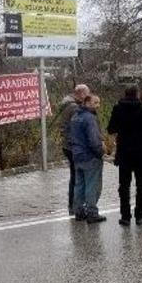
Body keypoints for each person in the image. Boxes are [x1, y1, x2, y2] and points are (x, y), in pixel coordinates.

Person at [107, 86, 142, 227]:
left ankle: (125, 216)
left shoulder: (118, 108)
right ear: (137, 94)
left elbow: (111, 128)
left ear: (125, 94)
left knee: (124, 186)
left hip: (124, 153)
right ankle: (139, 215)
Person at [70, 95, 106, 224]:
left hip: (77, 155)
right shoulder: (90, 118)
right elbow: (94, 140)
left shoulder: (75, 116)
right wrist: (101, 153)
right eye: (95, 103)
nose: (98, 105)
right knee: (92, 186)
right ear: (87, 103)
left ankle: (79, 212)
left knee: (79, 185)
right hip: (90, 156)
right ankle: (92, 213)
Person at [56, 84, 89, 215]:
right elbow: (78, 127)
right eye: (87, 93)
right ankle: (75, 205)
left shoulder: (67, 103)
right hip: (73, 146)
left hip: (67, 145)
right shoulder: (74, 107)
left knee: (74, 175)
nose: (88, 97)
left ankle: (74, 205)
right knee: (77, 177)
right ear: (80, 93)